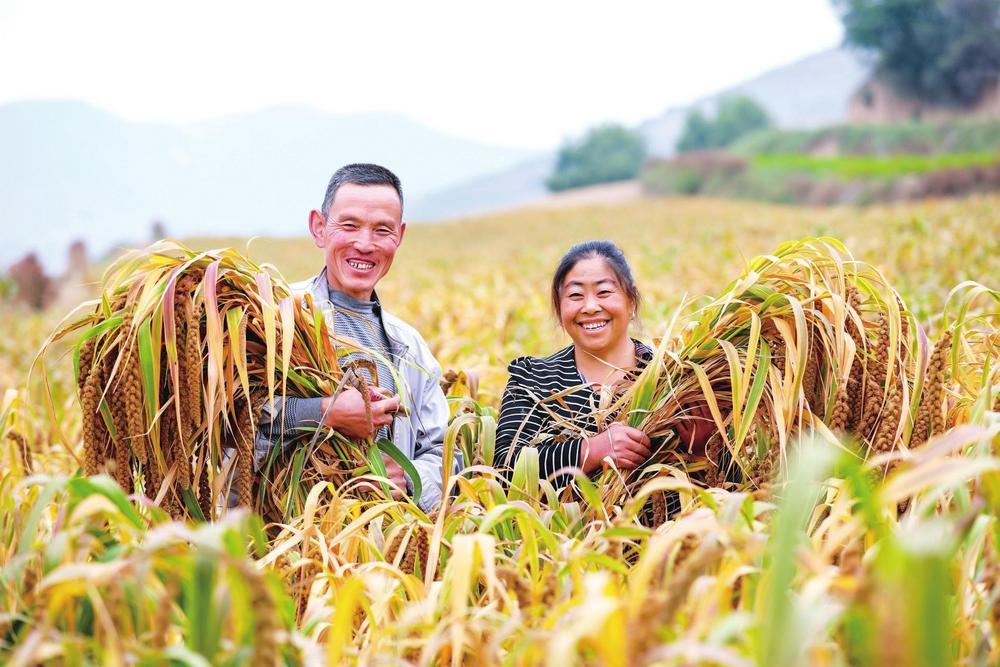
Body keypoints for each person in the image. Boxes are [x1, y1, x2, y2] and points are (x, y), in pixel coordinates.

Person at [254, 163, 461, 512]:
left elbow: (443, 450)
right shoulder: (273, 320)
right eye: (349, 225)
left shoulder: (409, 346)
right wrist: (323, 413)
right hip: (278, 544)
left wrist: (410, 478)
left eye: (382, 230)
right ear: (319, 228)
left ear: (400, 236)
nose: (364, 244)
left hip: (381, 549)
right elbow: (224, 424)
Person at [494, 240, 714, 491]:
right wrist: (592, 450)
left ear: (631, 300)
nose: (589, 307)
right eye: (575, 295)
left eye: (604, 293)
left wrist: (703, 450)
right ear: (559, 305)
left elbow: (737, 483)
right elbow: (505, 470)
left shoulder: (676, 380)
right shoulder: (531, 380)